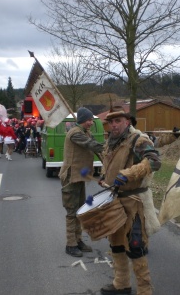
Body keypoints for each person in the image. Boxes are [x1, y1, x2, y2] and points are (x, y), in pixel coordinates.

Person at [99, 106, 161, 295]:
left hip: (135, 203)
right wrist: (104, 177)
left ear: (127, 121)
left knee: (135, 246)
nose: (114, 125)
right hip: (114, 201)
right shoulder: (111, 141)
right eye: (111, 122)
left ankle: (145, 290)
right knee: (116, 244)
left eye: (118, 121)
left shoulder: (139, 139)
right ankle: (121, 284)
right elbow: (109, 165)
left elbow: (154, 161)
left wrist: (129, 173)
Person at [58, 107, 104, 258]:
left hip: (79, 177)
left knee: (80, 211)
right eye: (89, 120)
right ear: (82, 120)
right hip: (71, 178)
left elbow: (94, 146)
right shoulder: (75, 133)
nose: (91, 122)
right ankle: (70, 244)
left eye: (92, 120)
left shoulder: (84, 132)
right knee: (72, 212)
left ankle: (78, 240)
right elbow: (90, 145)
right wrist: (108, 148)